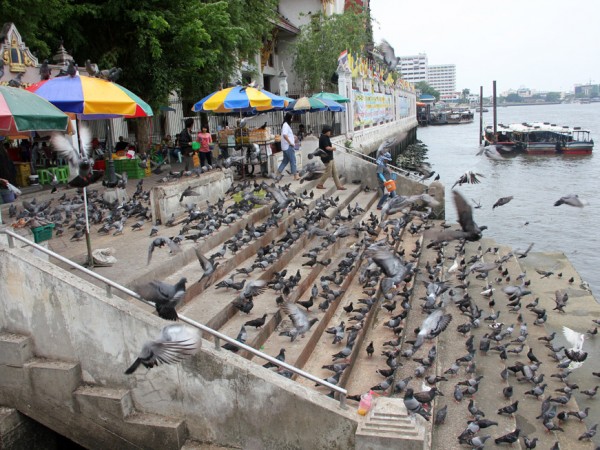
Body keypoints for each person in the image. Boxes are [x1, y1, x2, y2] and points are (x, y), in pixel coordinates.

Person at [316, 125, 345, 190]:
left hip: (330, 157)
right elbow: (327, 148)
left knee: (335, 172)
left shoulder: (326, 137)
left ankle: (339, 186)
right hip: (326, 158)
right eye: (329, 131)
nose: (330, 133)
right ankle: (320, 184)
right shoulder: (323, 138)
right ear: (326, 132)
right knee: (328, 171)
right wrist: (333, 148)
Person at [276, 113, 298, 180]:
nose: (292, 119)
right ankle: (295, 175)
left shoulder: (286, 125)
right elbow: (285, 135)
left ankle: (278, 174)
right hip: (288, 146)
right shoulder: (285, 125)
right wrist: (290, 143)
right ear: (289, 118)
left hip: (285, 146)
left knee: (285, 161)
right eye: (291, 118)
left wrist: (293, 136)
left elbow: (287, 134)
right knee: (293, 160)